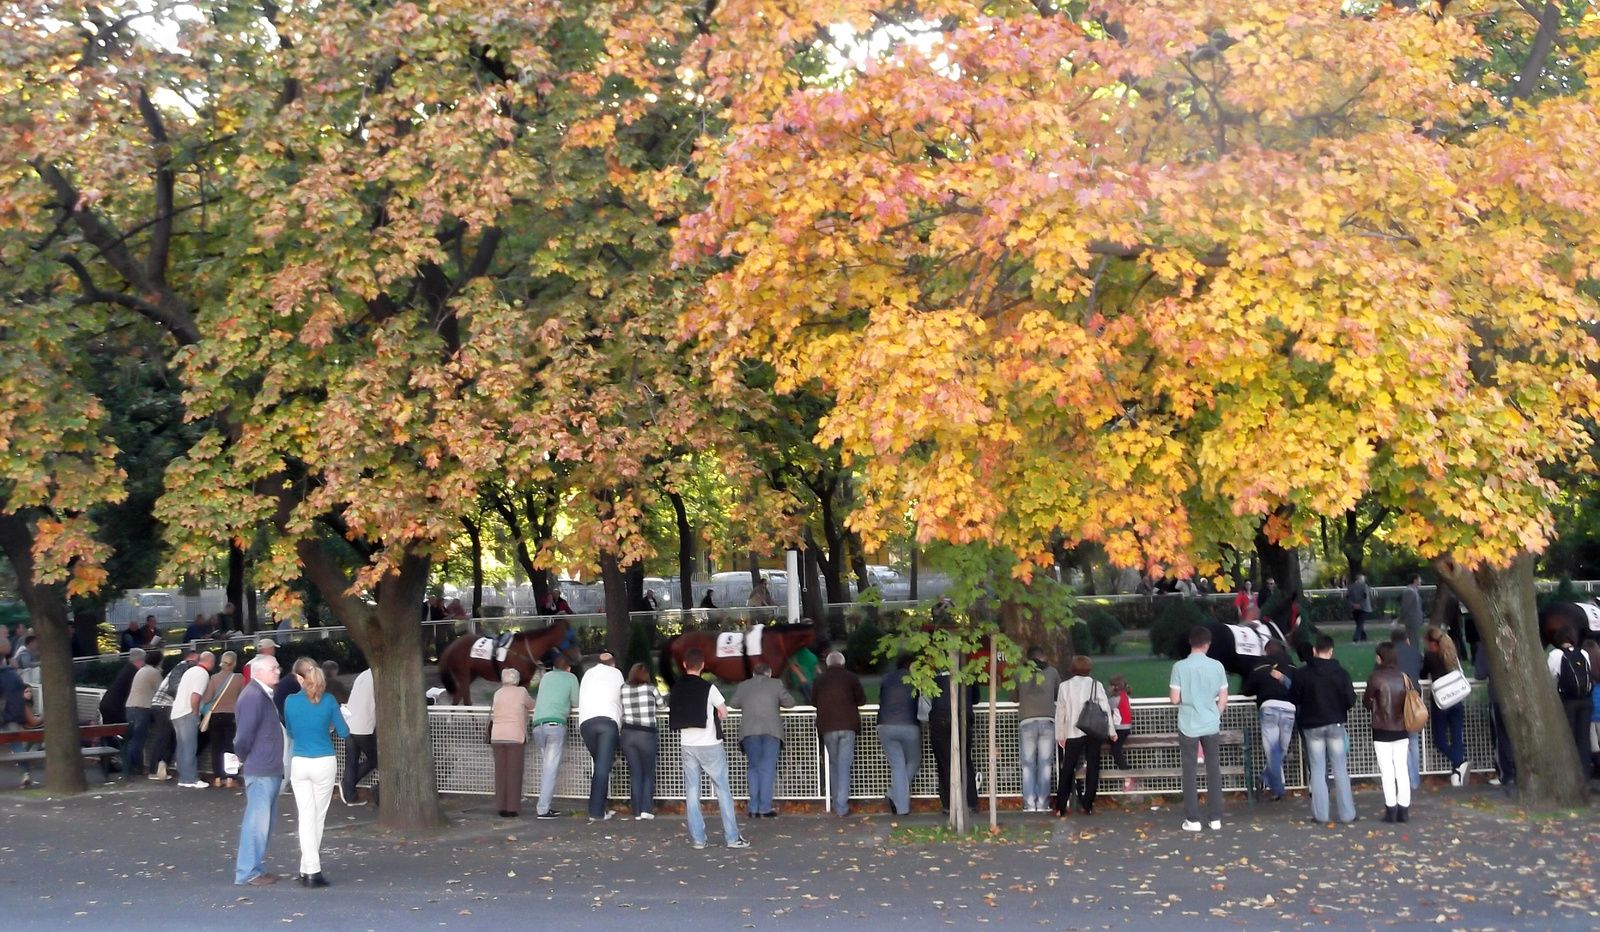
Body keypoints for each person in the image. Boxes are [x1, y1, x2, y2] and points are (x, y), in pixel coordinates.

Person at [668, 648, 748, 850]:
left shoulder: (676, 687)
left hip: (687, 743)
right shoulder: (708, 688)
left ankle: (698, 839)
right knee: (722, 789)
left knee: (692, 792)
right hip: (710, 743)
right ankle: (732, 837)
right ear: (702, 665)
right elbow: (723, 712)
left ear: (685, 665)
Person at [283, 662, 348, 887]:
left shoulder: (290, 701)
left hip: (300, 760)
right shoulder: (329, 700)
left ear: (301, 679)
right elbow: (343, 731)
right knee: (317, 817)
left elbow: (290, 731)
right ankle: (312, 869)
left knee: (306, 816)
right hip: (323, 760)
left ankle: (307, 867)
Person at [1290, 634, 1357, 825]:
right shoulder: (1341, 673)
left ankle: (1321, 814)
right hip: (1335, 723)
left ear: (1314, 650)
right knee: (1340, 768)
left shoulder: (1302, 674)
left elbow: (1294, 697)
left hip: (1311, 726)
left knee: (1318, 769)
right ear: (1331, 651)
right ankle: (1347, 814)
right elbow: (1350, 700)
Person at [1170, 626, 1229, 831]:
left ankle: (1193, 819)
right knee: (1213, 769)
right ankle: (1215, 818)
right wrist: (1215, 713)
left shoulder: (1179, 667)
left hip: (1188, 723)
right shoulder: (1218, 667)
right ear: (1208, 644)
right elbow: (1223, 698)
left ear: (1190, 642)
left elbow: (1174, 698)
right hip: (1211, 722)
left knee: (1189, 770)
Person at [233, 655, 285, 885]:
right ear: (259, 671)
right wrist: (243, 757)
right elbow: (243, 735)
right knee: (257, 822)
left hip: (267, 765)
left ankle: (254, 867)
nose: (277, 672)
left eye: (277, 667)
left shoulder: (260, 694)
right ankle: (248, 871)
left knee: (263, 822)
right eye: (273, 668)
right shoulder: (254, 696)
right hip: (261, 766)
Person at [729, 660, 794, 819]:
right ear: (769, 673)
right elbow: (790, 703)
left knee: (753, 768)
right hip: (771, 732)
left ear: (753, 674)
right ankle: (764, 809)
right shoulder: (776, 684)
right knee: (767, 769)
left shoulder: (744, 685)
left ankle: (753, 808)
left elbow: (733, 704)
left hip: (749, 732)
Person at [1056, 655, 1115, 816]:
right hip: (1093, 730)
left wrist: (1060, 734)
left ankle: (1061, 805)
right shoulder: (1097, 685)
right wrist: (1111, 731)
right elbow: (1105, 710)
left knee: (1068, 767)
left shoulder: (1064, 686)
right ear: (1089, 669)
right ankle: (1088, 804)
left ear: (1073, 669)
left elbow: (1060, 712)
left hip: (1073, 731)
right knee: (1093, 767)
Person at [1364, 641, 1414, 823]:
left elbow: (1367, 702)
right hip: (1402, 728)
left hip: (1382, 729)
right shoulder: (1403, 677)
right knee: (1402, 769)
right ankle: (1404, 809)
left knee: (1387, 771)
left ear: (1380, 658)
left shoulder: (1375, 678)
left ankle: (1391, 809)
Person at [812, 650, 866, 817]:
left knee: (834, 765)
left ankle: (837, 802)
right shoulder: (851, 677)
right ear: (842, 663)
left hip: (827, 727)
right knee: (844, 765)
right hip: (848, 725)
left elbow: (813, 701)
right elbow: (862, 700)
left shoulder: (819, 680)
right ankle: (842, 806)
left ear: (827, 664)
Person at [1241, 640, 1295, 802]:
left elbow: (1247, 690)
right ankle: (1272, 783)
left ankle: (1272, 784)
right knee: (1281, 751)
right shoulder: (1293, 668)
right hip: (1289, 709)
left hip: (1269, 708)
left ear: (1266, 652)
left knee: (1273, 751)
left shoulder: (1260, 668)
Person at [577, 650, 624, 822]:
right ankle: (596, 811)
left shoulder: (588, 673)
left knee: (600, 766)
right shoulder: (616, 673)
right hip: (607, 722)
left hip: (586, 724)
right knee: (602, 768)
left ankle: (601, 806)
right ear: (613, 663)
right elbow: (621, 698)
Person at [531, 653, 578, 819]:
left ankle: (544, 805)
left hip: (538, 725)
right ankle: (543, 808)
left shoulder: (546, 677)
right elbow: (576, 701)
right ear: (568, 667)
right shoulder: (570, 678)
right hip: (555, 725)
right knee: (550, 770)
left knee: (546, 768)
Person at [1422, 624, 1470, 785]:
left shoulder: (1430, 656)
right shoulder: (1452, 655)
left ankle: (1459, 762)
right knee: (1457, 736)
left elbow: (1423, 673)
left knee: (1440, 740)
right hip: (1457, 699)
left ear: (1430, 642)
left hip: (1441, 702)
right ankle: (1457, 772)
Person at [1015, 647, 1060, 813]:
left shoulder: (1020, 672)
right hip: (1047, 719)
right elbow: (1058, 694)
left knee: (1027, 764)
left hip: (1026, 720)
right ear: (1043, 657)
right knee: (1045, 763)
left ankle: (1029, 802)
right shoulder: (1052, 672)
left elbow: (1014, 696)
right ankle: (1042, 802)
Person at [928, 667, 979, 814]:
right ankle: (970, 803)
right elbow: (975, 699)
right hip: (963, 717)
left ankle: (949, 805)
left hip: (939, 719)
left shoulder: (935, 678)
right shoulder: (968, 677)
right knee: (965, 761)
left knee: (944, 763)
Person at [1546, 624, 1593, 778]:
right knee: (1583, 738)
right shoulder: (1584, 653)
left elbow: (1551, 677)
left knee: (1567, 737)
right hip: (1586, 700)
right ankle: (1584, 773)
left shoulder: (1555, 655)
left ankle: (1568, 774)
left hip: (1567, 701)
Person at [619, 662, 664, 819]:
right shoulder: (650, 689)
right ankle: (646, 809)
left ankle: (636, 811)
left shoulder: (623, 689)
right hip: (646, 734)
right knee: (648, 772)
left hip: (627, 733)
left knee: (635, 773)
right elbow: (662, 706)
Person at [876, 655, 920, 816]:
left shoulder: (887, 678)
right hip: (909, 725)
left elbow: (881, 698)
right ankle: (899, 804)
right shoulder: (916, 679)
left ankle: (896, 797)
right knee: (914, 760)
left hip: (885, 725)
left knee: (897, 766)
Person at [490, 668, 536, 817]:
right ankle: (512, 807)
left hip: (497, 735)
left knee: (501, 772)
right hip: (515, 735)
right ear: (516, 679)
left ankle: (500, 806)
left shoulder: (497, 693)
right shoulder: (521, 692)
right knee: (514, 772)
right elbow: (532, 705)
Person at [170, 651, 215, 788]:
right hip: (188, 712)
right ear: (210, 662)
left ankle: (184, 777)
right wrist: (195, 714)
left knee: (182, 747)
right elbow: (195, 696)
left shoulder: (190, 671)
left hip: (177, 712)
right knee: (190, 747)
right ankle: (191, 778)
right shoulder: (202, 674)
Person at [202, 651, 245, 788]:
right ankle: (231, 778)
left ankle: (218, 777)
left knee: (216, 748)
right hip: (232, 716)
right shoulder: (239, 678)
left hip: (215, 716)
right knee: (230, 747)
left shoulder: (214, 678)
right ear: (233, 663)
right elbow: (243, 697)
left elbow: (207, 698)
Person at [1389, 626, 1424, 790]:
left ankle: (1407, 778)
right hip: (1414, 698)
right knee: (1413, 741)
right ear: (1406, 639)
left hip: (1397, 699)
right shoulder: (1415, 652)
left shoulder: (1391, 655)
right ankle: (1415, 779)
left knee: (1402, 742)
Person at [340, 667, 377, 806]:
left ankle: (350, 793)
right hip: (363, 725)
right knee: (377, 758)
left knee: (352, 759)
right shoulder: (378, 675)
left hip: (350, 722)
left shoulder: (363, 674)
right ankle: (348, 785)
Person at [123, 648, 161, 777]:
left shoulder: (141, 671)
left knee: (133, 738)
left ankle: (137, 768)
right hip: (142, 707)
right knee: (139, 740)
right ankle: (128, 767)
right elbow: (160, 690)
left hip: (130, 706)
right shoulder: (154, 672)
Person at [1106, 674, 1135, 792]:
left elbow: (1104, 707)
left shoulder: (1114, 699)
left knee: (1116, 750)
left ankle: (1127, 773)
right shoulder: (1126, 697)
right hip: (1126, 727)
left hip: (1119, 728)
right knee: (1115, 748)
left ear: (1114, 687)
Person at [99, 649, 142, 726]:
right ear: (140, 661)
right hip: (115, 708)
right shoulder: (134, 673)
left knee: (108, 733)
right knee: (125, 731)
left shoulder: (127, 669)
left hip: (107, 704)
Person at [1398, 575, 1427, 647]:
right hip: (1412, 620)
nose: (1420, 581)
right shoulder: (1410, 591)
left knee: (1414, 639)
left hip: (1414, 620)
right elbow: (1405, 606)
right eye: (1419, 580)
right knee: (1412, 639)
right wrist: (1401, 617)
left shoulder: (1413, 590)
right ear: (1415, 580)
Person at [1345, 573, 1373, 643]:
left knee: (1359, 623)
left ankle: (1363, 637)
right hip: (1363, 608)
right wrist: (1360, 604)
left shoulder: (1350, 587)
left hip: (1354, 608)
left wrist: (1353, 604)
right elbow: (1365, 596)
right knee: (1360, 623)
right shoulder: (1364, 586)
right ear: (1361, 579)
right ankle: (1356, 638)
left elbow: (1348, 597)